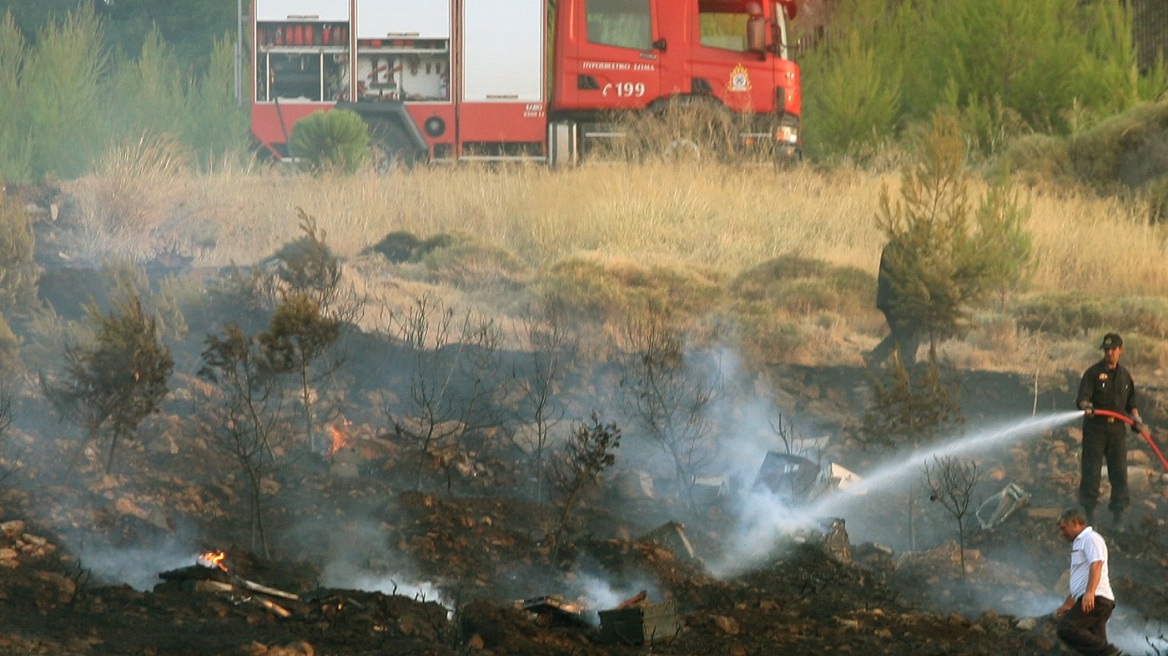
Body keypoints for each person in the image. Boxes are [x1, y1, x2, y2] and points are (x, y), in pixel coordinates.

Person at [1075, 332, 1142, 528]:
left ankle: (1118, 516)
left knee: (1119, 473)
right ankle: (1090, 514)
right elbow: (1082, 398)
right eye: (1107, 350)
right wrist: (1087, 406)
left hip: (1117, 431)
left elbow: (1132, 402)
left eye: (1113, 349)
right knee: (1091, 472)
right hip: (1095, 430)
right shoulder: (1093, 373)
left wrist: (1136, 417)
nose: (1110, 353)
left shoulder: (1125, 376)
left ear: (1120, 350)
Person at [1053, 508, 1123, 656]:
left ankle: (1110, 652)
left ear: (1076, 523)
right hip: (1095, 600)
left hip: (1096, 599)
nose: (1061, 533)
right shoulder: (1080, 543)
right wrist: (1068, 603)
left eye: (1063, 528)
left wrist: (1090, 593)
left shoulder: (1090, 538)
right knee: (1095, 646)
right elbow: (1081, 579)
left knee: (1066, 628)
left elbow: (1097, 564)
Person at [866, 239, 920, 368]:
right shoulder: (906, 250)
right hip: (899, 299)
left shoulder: (894, 247)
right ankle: (906, 368)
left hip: (887, 298)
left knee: (900, 332)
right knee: (908, 333)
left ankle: (875, 357)